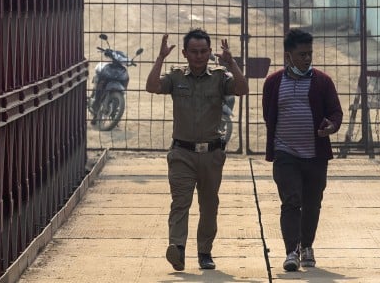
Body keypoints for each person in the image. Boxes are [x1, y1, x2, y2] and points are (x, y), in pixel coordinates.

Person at [146, 28, 248, 271]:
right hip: (182, 153)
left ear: (210, 52)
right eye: (194, 52)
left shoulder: (219, 77)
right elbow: (151, 87)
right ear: (185, 53)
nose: (199, 56)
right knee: (180, 202)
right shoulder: (177, 77)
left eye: (203, 51)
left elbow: (242, 89)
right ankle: (178, 249)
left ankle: (204, 252)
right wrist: (160, 58)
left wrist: (232, 63)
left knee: (209, 205)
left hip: (211, 155)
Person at [262, 28, 343, 272]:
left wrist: (331, 126)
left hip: (315, 155)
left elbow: (335, 112)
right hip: (285, 153)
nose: (307, 59)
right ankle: (291, 251)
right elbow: (269, 115)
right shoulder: (274, 83)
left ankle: (307, 246)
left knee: (312, 202)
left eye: (310, 54)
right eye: (302, 54)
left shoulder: (322, 81)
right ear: (288, 56)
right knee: (291, 201)